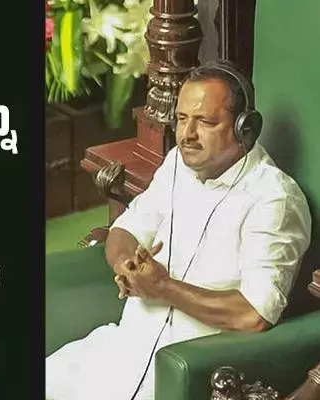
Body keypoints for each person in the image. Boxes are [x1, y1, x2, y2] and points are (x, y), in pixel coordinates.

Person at [45, 60, 312, 400]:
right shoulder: (177, 165)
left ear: (245, 128)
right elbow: (125, 229)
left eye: (205, 122)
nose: (187, 134)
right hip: (118, 351)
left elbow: (255, 313)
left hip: (182, 374)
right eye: (182, 118)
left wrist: (164, 288)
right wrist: (127, 266)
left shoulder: (274, 200)